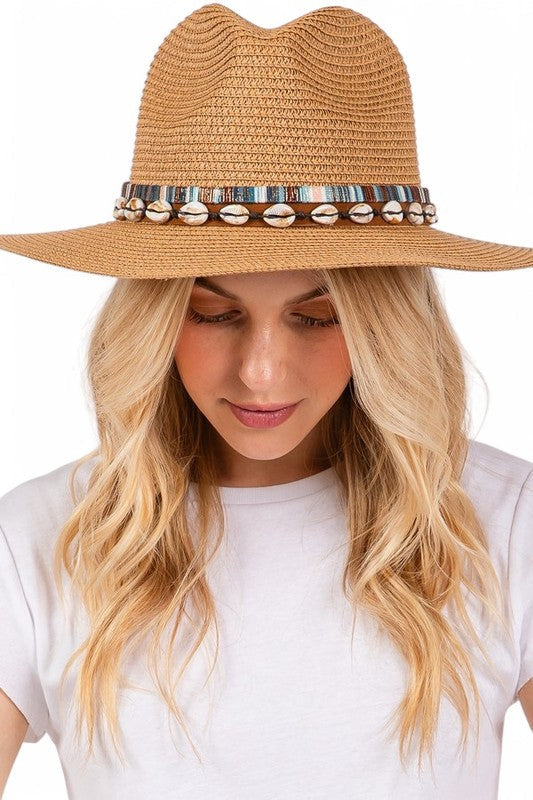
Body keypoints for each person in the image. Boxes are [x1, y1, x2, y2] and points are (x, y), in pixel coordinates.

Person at [0, 4, 532, 798]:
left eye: (317, 319)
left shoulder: (500, 525)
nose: (261, 373)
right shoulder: (43, 542)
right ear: (151, 318)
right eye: (214, 314)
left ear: (383, 324)